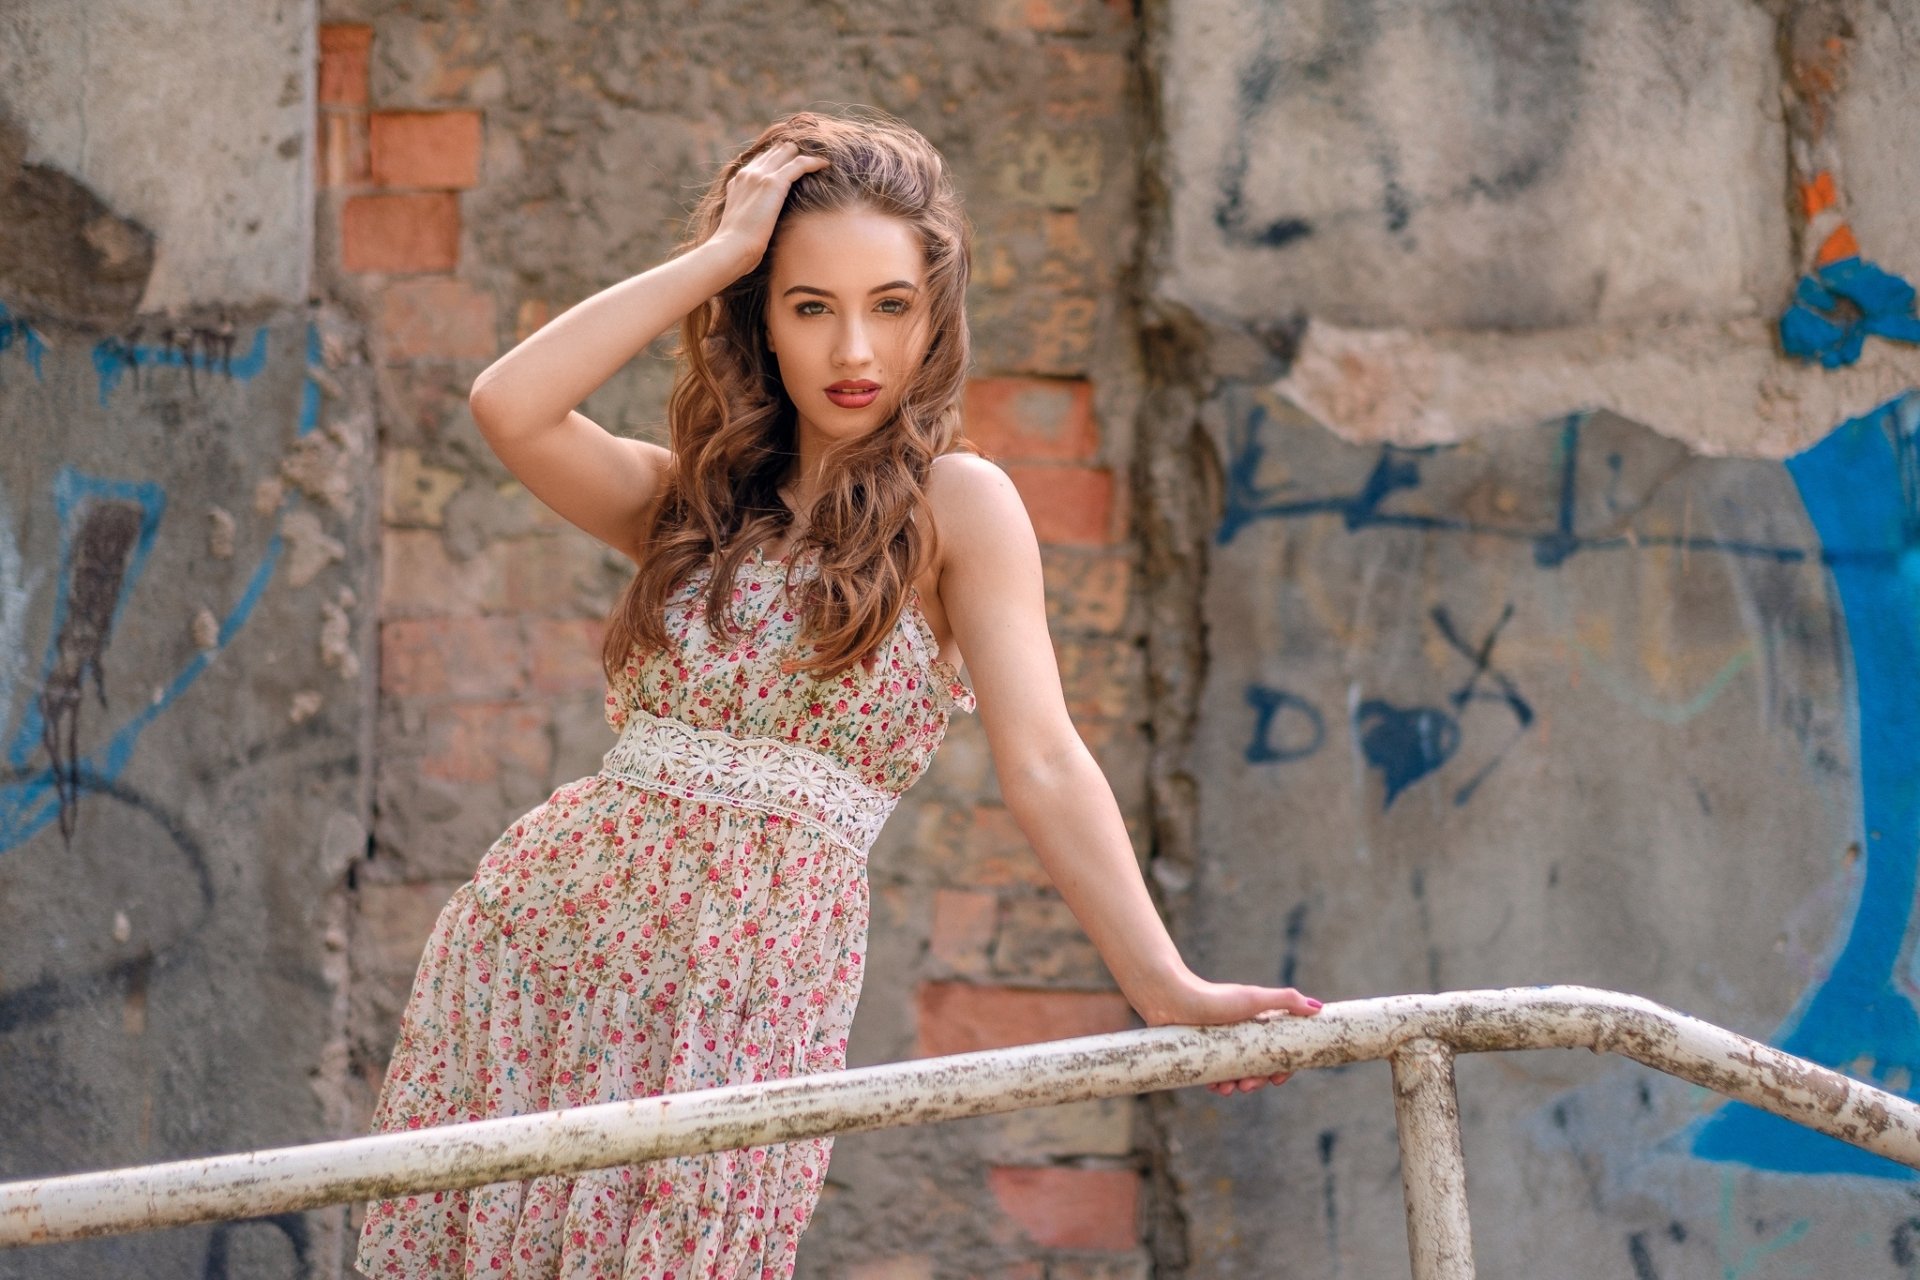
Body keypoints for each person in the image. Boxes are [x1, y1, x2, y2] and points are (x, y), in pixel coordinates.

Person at [354, 110, 1321, 1280]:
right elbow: (509, 404)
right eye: (811, 305)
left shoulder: (959, 506)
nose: (854, 347)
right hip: (544, 954)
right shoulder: (691, 507)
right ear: (763, 321)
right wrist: (720, 255)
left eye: (891, 304)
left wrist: (1164, 985)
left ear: (934, 314)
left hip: (754, 978)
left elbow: (1047, 758)